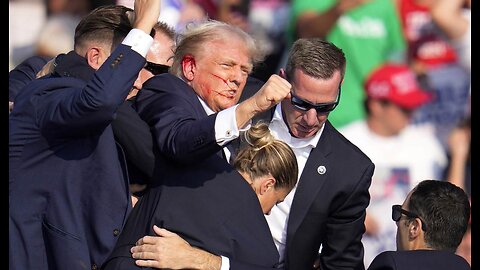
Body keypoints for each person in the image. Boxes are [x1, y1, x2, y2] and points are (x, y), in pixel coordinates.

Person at [131, 38, 375, 270]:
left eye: (325, 107)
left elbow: (342, 263)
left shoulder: (350, 170)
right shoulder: (236, 100)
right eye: (301, 103)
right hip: (174, 250)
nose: (312, 118)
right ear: (282, 80)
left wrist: (208, 263)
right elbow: (178, 133)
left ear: (340, 88)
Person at [9, 1, 160, 269]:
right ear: (95, 58)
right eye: (134, 68)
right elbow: (98, 101)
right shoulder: (48, 94)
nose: (137, 81)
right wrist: (143, 25)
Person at [102, 122, 299, 269]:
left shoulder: (188, 160)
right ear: (267, 185)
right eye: (276, 202)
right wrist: (202, 260)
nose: (269, 212)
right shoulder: (260, 248)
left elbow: (128, 127)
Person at [339, 62, 448, 267]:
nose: (411, 113)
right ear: (376, 105)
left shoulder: (427, 144)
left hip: (411, 262)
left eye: (413, 106)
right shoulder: (344, 141)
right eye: (404, 107)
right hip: (354, 259)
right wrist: (352, 216)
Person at [288, 0, 406, 128]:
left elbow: (396, 57)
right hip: (323, 114)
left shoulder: (384, 4)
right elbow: (306, 33)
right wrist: (340, 8)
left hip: (371, 119)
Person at [367, 180, 471, 270]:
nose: (397, 222)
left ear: (414, 227)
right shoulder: (464, 266)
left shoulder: (392, 264)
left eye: (399, 213)